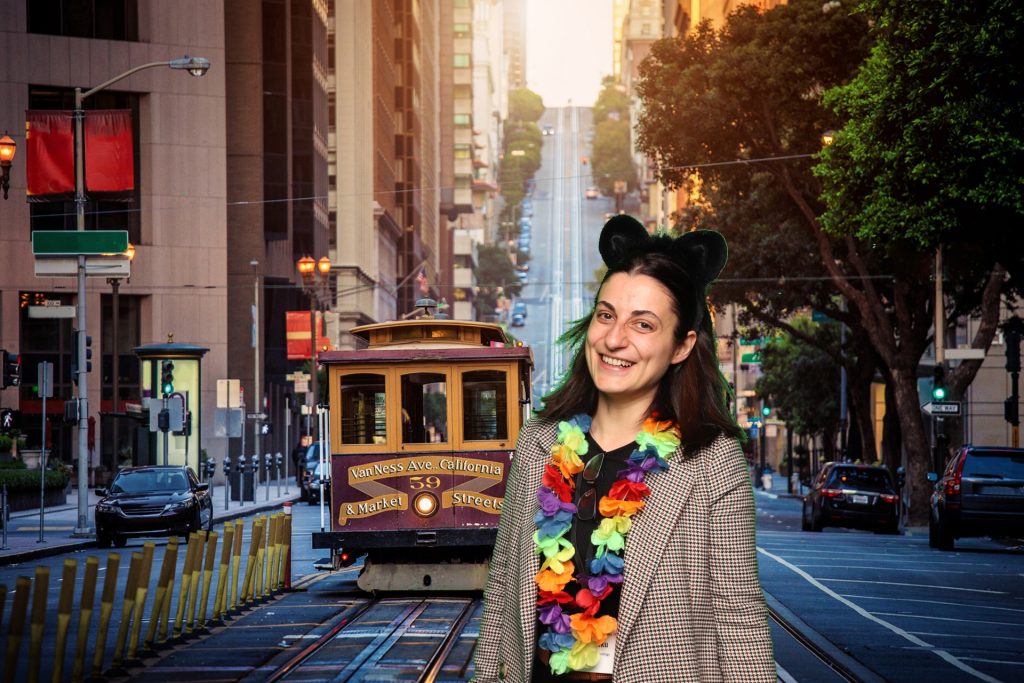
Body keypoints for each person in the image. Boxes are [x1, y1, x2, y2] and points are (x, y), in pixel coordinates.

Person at [473, 216, 775, 682]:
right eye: (607, 315)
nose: (615, 339)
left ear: (681, 346)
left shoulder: (712, 461)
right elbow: (503, 588)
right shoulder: (538, 441)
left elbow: (739, 618)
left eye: (644, 324)